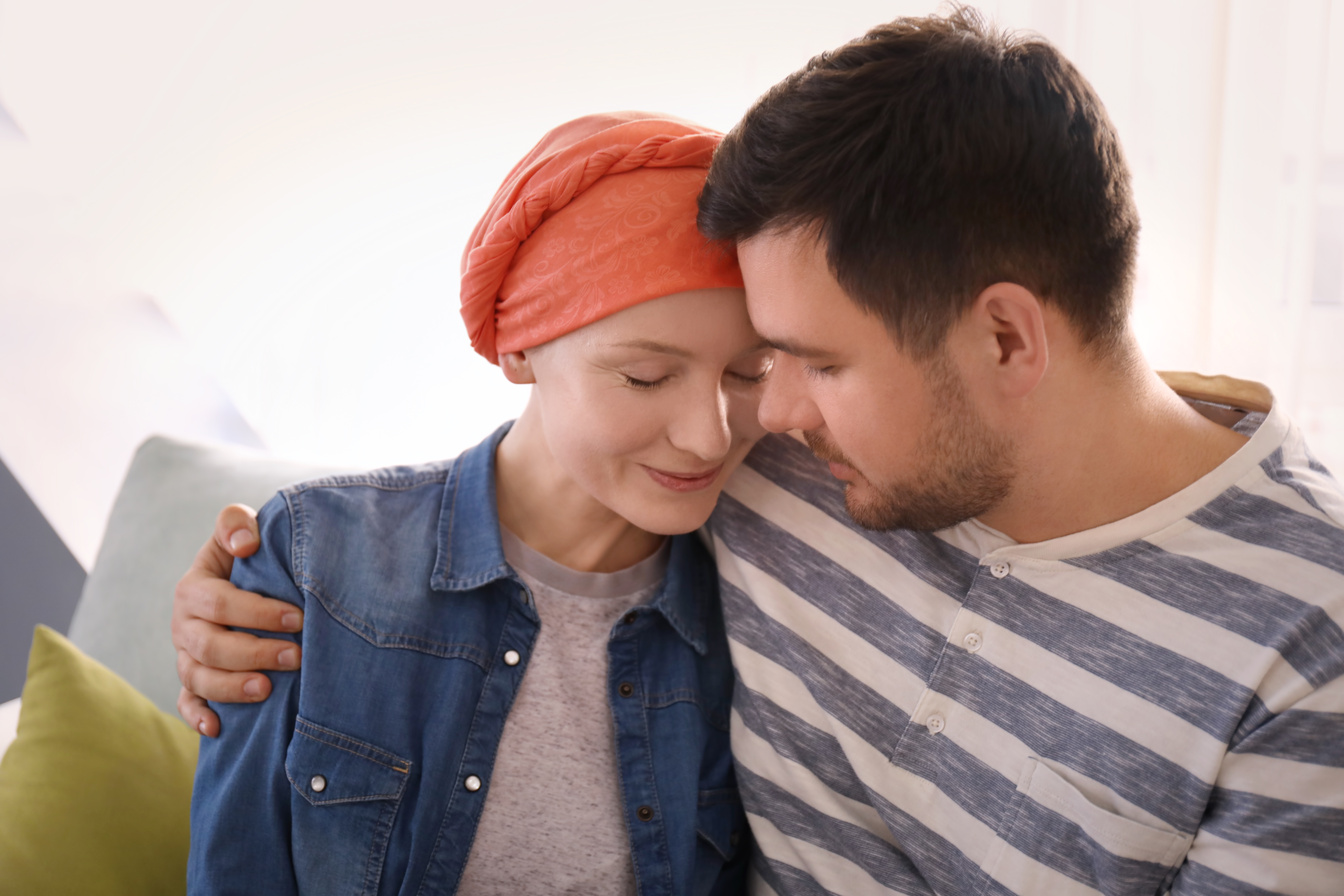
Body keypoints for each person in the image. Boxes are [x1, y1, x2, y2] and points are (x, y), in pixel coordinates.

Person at [175, 9, 1344, 895]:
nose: (751, 417)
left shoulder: (1306, 645)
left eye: (807, 362)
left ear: (1003, 336)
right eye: (755, 360)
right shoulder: (786, 478)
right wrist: (247, 593)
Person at [186, 111, 770, 896]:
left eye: (748, 373)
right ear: (521, 347)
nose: (708, 438)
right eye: (645, 375)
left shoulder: (758, 620)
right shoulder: (316, 557)